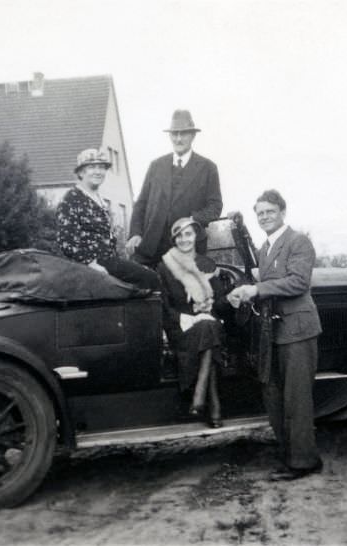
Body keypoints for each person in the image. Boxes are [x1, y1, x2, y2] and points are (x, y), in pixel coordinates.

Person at [226, 189, 323, 480]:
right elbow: (266, 286)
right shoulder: (265, 249)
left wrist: (256, 289)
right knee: (274, 396)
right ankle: (290, 456)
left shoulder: (298, 241)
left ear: (282, 211)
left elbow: (297, 283)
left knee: (297, 399)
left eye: (269, 211)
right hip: (274, 331)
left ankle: (303, 462)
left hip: (298, 329)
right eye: (260, 213)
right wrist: (243, 295)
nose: (264, 217)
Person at [126, 110, 223, 267]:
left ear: (193, 136)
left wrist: (193, 220)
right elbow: (141, 204)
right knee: (135, 284)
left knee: (183, 290)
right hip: (151, 247)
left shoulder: (208, 168)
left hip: (188, 248)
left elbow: (215, 206)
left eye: (183, 134)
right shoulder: (156, 166)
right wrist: (135, 234)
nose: (178, 139)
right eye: (174, 134)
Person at [55, 148, 160, 290]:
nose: (98, 172)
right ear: (81, 172)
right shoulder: (72, 199)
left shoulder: (99, 200)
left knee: (149, 274)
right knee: (150, 279)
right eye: (92, 167)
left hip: (110, 261)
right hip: (93, 264)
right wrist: (90, 264)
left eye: (102, 167)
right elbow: (66, 241)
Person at [158, 217, 228, 428]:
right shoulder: (165, 266)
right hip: (181, 326)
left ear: (196, 236)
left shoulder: (206, 264)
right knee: (210, 334)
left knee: (209, 326)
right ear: (174, 239)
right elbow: (164, 306)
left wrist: (229, 299)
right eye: (179, 235)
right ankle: (213, 403)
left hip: (207, 322)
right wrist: (187, 318)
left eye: (188, 234)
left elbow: (219, 300)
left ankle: (200, 395)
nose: (184, 239)